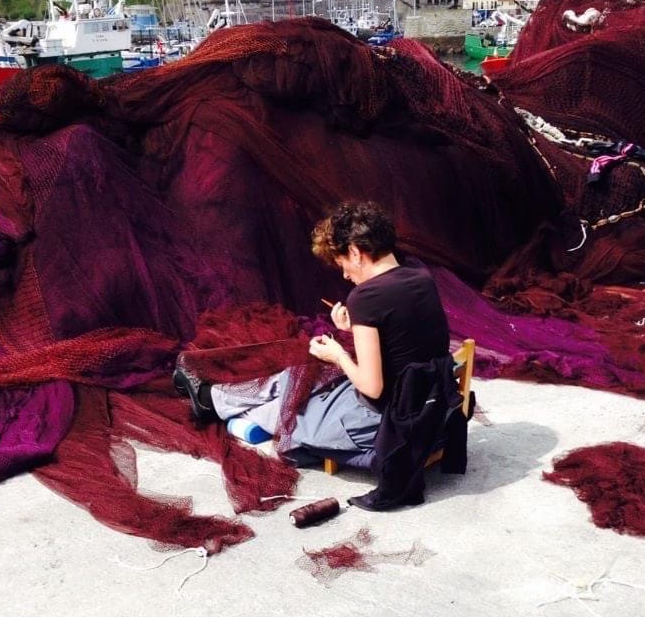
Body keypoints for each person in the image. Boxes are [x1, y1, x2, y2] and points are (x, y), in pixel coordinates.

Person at [174, 200, 460, 508]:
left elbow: (372, 386)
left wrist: (338, 354)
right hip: (431, 403)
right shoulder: (419, 274)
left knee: (295, 411)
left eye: (342, 265)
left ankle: (233, 411)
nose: (347, 276)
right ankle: (213, 399)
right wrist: (355, 330)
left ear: (354, 252)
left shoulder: (366, 297)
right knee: (296, 380)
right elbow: (404, 338)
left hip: (388, 419)